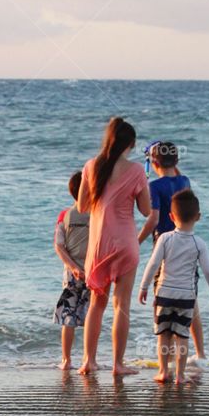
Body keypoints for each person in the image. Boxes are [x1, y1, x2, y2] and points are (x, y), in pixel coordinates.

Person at [78, 117, 152, 376]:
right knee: (122, 306)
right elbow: (145, 210)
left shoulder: (91, 167)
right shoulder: (136, 171)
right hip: (125, 243)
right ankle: (118, 364)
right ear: (130, 144)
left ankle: (88, 361)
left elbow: (82, 207)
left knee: (97, 304)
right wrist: (144, 184)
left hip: (99, 245)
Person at [138, 188, 209, 384]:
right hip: (186, 298)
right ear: (198, 217)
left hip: (164, 293)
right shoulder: (199, 244)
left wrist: (143, 287)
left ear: (171, 216)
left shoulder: (165, 238)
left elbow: (153, 264)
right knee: (182, 336)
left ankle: (163, 372)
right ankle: (179, 375)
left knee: (164, 334)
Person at [137, 140, 207, 364]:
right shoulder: (184, 181)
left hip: (165, 245)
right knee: (190, 297)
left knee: (163, 298)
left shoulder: (155, 186)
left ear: (153, 162)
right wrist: (161, 156)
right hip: (186, 244)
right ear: (176, 161)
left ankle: (164, 357)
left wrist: (136, 241)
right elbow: (175, 174)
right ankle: (200, 353)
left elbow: (154, 219)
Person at [53, 171, 91, 370]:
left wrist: (73, 267)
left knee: (68, 316)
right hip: (93, 271)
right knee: (90, 315)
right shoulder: (98, 214)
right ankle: (88, 359)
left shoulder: (65, 216)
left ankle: (66, 360)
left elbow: (59, 246)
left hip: (71, 273)